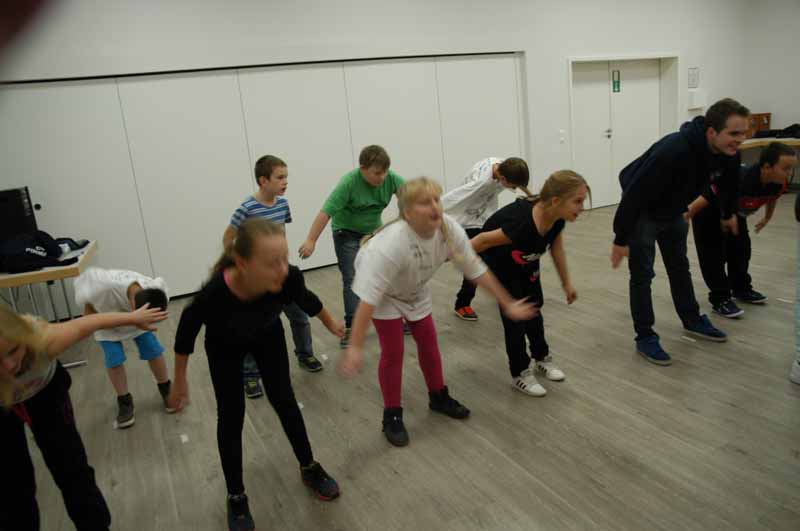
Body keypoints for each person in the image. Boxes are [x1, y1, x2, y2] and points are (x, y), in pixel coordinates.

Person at [169, 218, 343, 531]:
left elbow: (307, 300)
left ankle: (309, 466)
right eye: (271, 262)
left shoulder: (287, 277)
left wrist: (331, 323)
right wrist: (180, 380)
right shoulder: (214, 294)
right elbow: (186, 332)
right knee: (231, 415)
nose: (282, 269)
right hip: (224, 347)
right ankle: (236, 496)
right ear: (242, 263)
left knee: (285, 401)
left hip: (266, 336)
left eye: (284, 259)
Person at [339, 177, 537, 447]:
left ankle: (438, 397)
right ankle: (392, 415)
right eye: (424, 202)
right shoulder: (388, 246)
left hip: (414, 286)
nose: (434, 206)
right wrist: (355, 346)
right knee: (394, 352)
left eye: (436, 199)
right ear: (408, 213)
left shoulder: (448, 228)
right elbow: (368, 301)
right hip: (385, 295)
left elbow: (475, 268)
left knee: (429, 343)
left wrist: (508, 303)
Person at [0, 302, 167, 531]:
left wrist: (133, 317)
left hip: (45, 392)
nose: (9, 365)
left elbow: (88, 323)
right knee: (12, 485)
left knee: (71, 468)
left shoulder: (43, 338)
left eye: (13, 351)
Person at [610, 98, 750, 365]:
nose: (740, 140)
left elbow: (729, 184)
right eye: (734, 133)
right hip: (644, 213)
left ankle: (692, 319)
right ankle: (645, 336)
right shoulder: (674, 149)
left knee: (679, 268)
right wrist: (621, 238)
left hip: (675, 211)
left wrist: (728, 213)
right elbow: (634, 193)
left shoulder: (729, 153)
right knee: (642, 276)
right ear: (712, 131)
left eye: (743, 133)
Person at [472, 170, 587, 395]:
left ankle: (541, 357)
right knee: (515, 317)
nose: (582, 207)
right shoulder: (522, 222)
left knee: (534, 308)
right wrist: (456, 255)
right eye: (578, 201)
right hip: (501, 265)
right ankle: (520, 372)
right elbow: (483, 240)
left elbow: (556, 248)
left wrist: (566, 283)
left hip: (526, 261)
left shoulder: (556, 218)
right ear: (556, 201)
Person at [223, 155, 323, 402]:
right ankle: (250, 374)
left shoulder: (282, 204)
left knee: (299, 315)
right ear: (263, 180)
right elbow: (228, 237)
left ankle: (305, 354)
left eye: (286, 177)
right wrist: (239, 265)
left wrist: (282, 259)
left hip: (281, 272)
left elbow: (280, 233)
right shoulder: (247, 208)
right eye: (280, 177)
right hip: (257, 277)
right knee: (254, 325)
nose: (285, 182)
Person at [298, 145, 405, 347]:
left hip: (373, 233)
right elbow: (326, 212)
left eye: (385, 172)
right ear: (362, 168)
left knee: (385, 274)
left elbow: (412, 197)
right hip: (345, 233)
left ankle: (395, 318)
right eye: (377, 173)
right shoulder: (348, 183)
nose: (382, 177)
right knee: (352, 278)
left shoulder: (391, 178)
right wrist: (311, 240)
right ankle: (352, 328)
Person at [687, 141, 797, 316]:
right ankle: (720, 299)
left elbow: (772, 197)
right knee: (713, 256)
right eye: (786, 168)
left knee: (741, 250)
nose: (789, 173)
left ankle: (741, 288)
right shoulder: (741, 178)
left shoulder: (777, 183)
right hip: (708, 211)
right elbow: (709, 194)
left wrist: (767, 217)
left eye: (791, 168)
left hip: (733, 213)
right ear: (767, 167)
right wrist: (687, 214)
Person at [74, 267, 172, 428]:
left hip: (136, 316)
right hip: (105, 316)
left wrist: (141, 322)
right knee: (114, 358)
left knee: (153, 348)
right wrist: (89, 325)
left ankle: (166, 388)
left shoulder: (154, 289)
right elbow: (87, 313)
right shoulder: (100, 288)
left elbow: (151, 312)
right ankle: (124, 400)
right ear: (133, 306)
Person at [441, 156, 532, 321]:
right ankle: (462, 303)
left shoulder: (504, 165)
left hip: (484, 216)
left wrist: (533, 198)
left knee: (499, 252)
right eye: (512, 187)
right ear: (502, 179)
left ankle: (501, 290)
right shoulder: (480, 183)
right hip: (468, 219)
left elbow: (520, 183)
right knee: (476, 259)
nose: (513, 189)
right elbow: (454, 198)